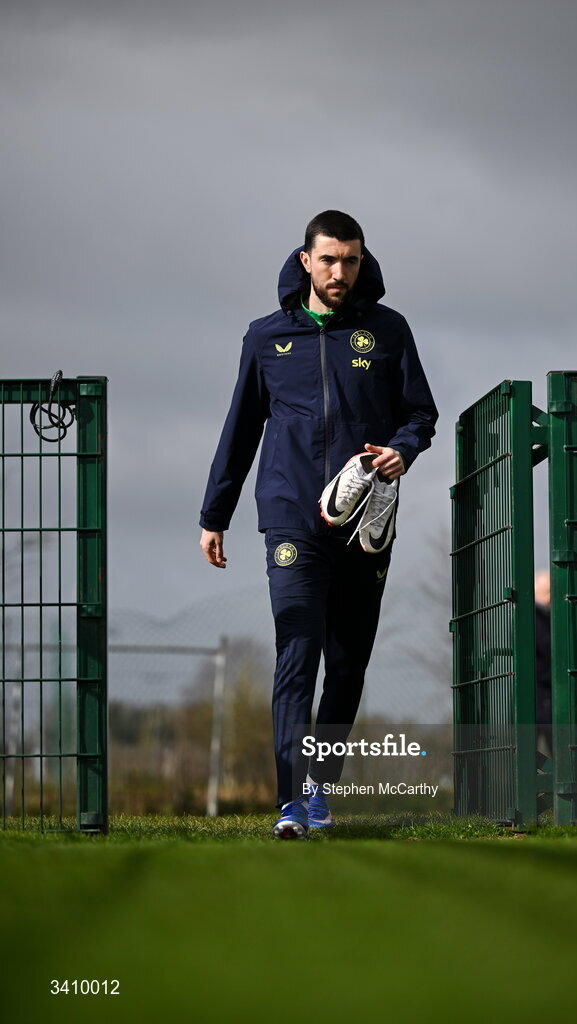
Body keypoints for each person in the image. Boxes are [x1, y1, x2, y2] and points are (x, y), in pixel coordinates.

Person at [199, 210, 438, 838]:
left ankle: (317, 788)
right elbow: (240, 429)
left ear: (362, 262)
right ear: (306, 260)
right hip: (291, 517)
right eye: (329, 259)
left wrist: (401, 451)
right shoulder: (264, 338)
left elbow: (421, 414)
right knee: (296, 648)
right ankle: (288, 803)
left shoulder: (388, 330)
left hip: (366, 521)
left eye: (351, 260)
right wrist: (213, 515)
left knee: (349, 662)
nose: (340, 271)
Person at [534, 569, 552, 757]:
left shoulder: (552, 617)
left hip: (549, 697)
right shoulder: (532, 619)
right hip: (537, 695)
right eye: (547, 592)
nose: (550, 598)